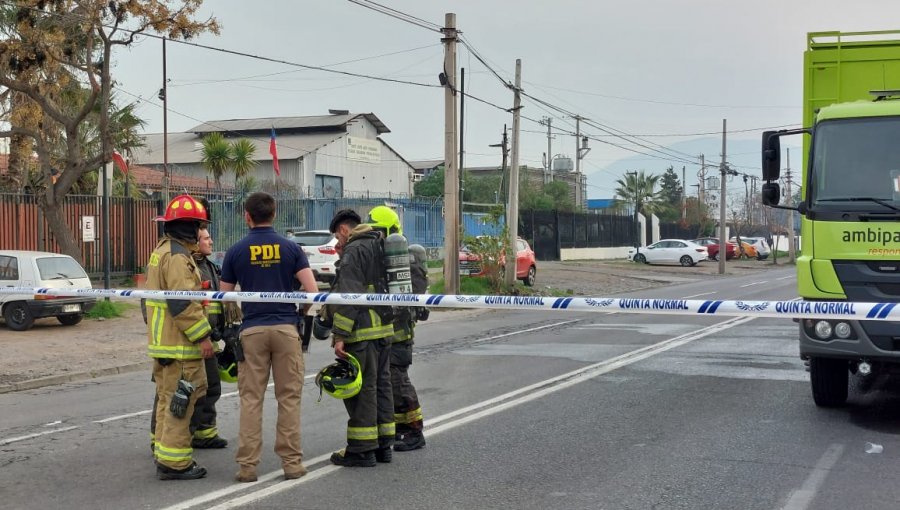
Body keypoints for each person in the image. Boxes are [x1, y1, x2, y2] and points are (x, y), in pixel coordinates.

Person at [219, 192, 318, 483]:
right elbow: (311, 290)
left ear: (246, 217)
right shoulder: (291, 248)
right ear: (274, 215)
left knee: (251, 399)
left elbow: (224, 295)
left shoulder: (236, 251)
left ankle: (248, 467)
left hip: (251, 330)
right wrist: (300, 312)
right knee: (288, 397)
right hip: (287, 329)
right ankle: (292, 464)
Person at [145, 194, 216, 481]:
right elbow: (182, 304)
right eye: (198, 226)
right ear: (189, 227)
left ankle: (165, 455)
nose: (201, 232)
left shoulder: (162, 251)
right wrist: (203, 338)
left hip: (164, 344)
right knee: (182, 403)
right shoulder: (177, 257)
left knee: (168, 401)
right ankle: (175, 464)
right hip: (180, 347)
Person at [326, 208, 395, 467]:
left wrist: (340, 335)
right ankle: (383, 445)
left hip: (362, 331)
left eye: (337, 236)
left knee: (362, 390)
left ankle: (362, 449)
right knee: (381, 386)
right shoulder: (379, 244)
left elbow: (349, 296)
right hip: (385, 329)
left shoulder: (355, 250)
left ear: (344, 229)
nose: (337, 242)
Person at [391, 242, 429, 452]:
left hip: (400, 336)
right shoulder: (395, 261)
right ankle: (401, 428)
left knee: (399, 383)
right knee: (392, 382)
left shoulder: (404, 261)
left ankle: (415, 432)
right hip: (395, 335)